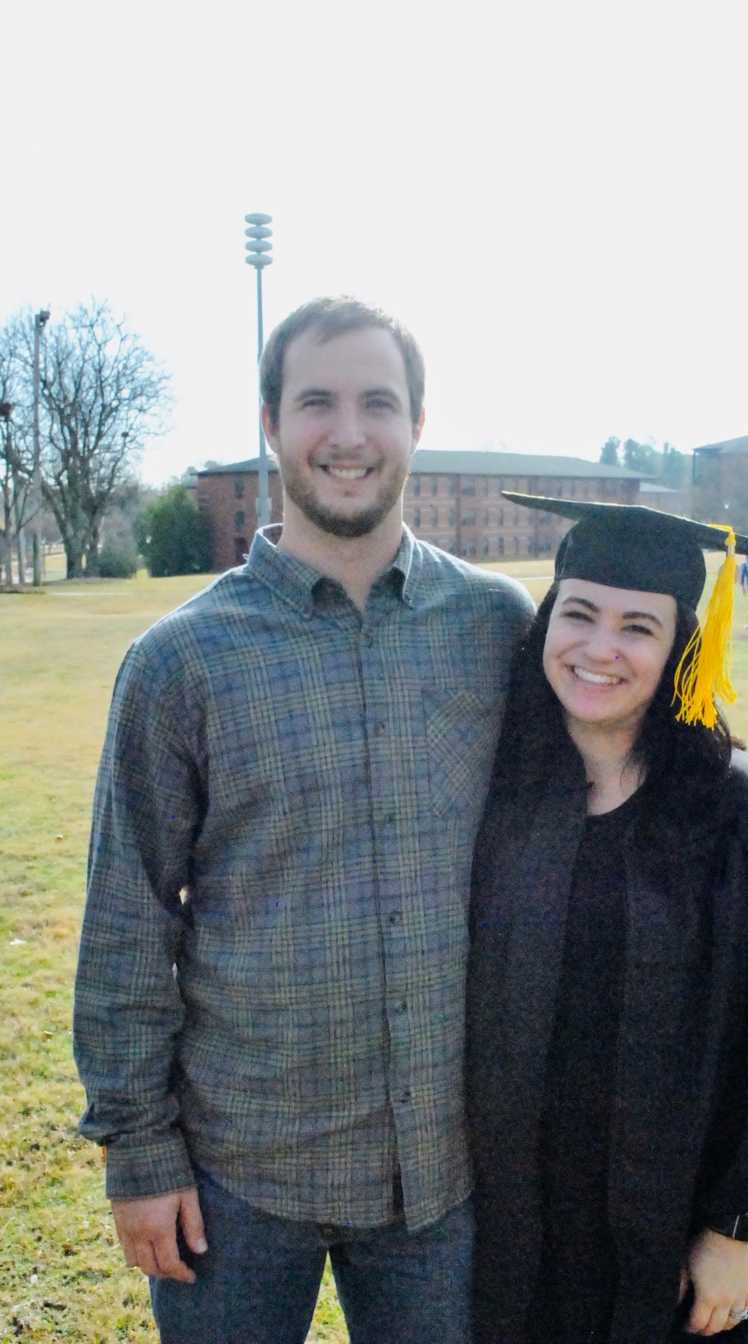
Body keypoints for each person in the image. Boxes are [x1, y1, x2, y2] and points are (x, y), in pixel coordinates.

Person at [73, 296, 533, 1344]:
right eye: (316, 401)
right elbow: (128, 921)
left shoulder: (498, 628)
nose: (349, 432)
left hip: (445, 1173)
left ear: (419, 423)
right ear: (272, 423)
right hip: (241, 1171)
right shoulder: (179, 662)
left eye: (379, 401)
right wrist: (139, 1155)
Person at [467, 494, 748, 1344]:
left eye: (638, 627)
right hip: (520, 1235)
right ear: (546, 624)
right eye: (579, 615)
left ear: (680, 650)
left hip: (679, 1235)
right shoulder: (502, 801)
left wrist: (734, 1226)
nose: (600, 649)